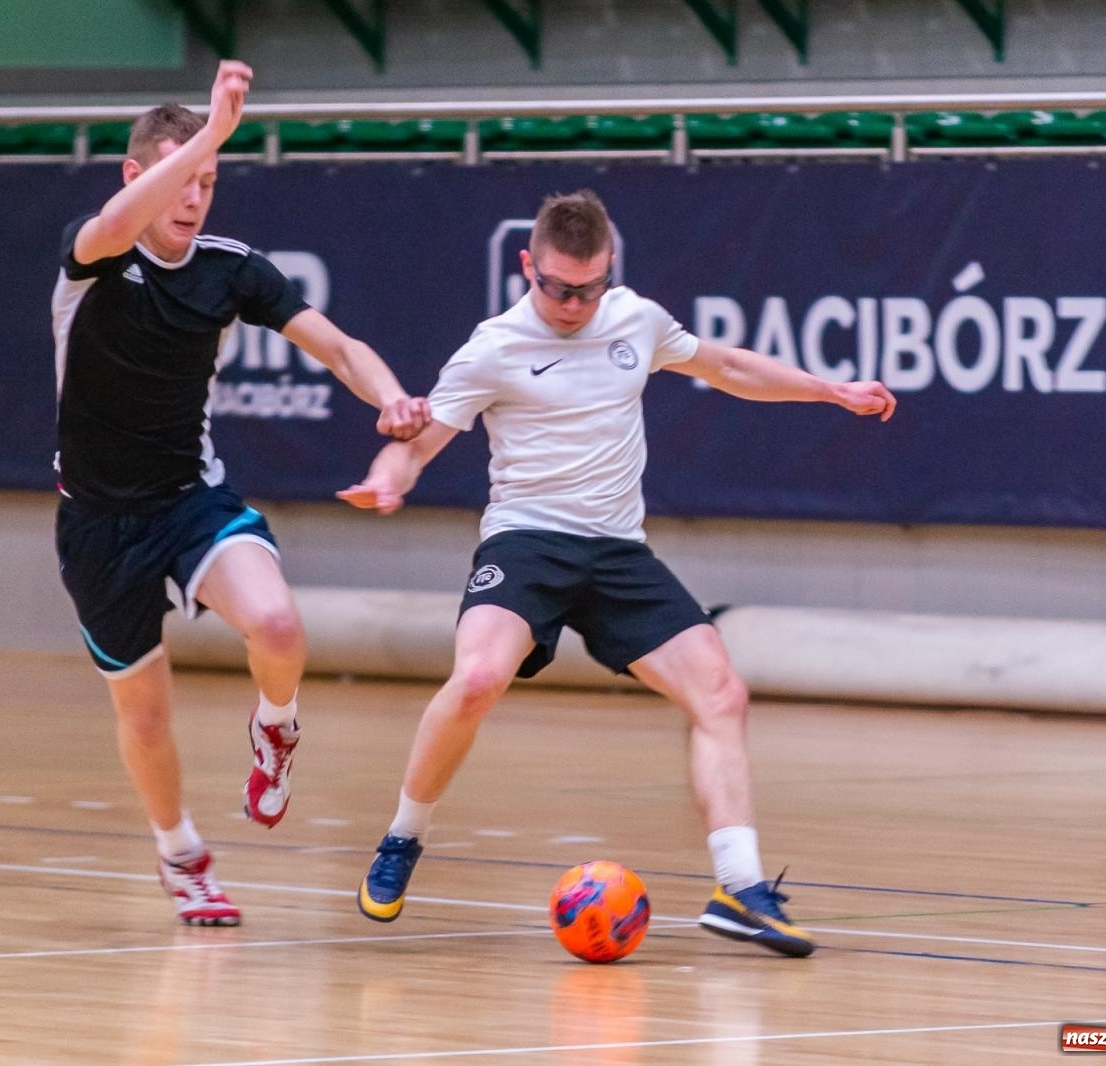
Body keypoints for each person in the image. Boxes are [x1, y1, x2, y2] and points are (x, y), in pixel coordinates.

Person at [339, 189, 895, 957]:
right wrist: (388, 478)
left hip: (615, 551)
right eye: (557, 287)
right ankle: (404, 836)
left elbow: (728, 365)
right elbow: (416, 441)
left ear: (611, 272)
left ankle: (740, 886)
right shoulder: (491, 347)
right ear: (528, 265)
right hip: (527, 543)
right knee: (475, 680)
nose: (572, 304)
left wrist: (828, 389)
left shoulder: (636, 318)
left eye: (588, 288)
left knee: (721, 692)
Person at [51, 60, 430, 926]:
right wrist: (215, 132)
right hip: (98, 524)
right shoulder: (93, 258)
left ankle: (276, 726)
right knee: (145, 716)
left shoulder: (230, 270)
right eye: (183, 178)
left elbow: (336, 346)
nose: (195, 198)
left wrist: (392, 397)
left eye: (211, 182)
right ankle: (182, 854)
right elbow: (116, 226)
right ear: (136, 176)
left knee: (280, 625)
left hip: (192, 501)